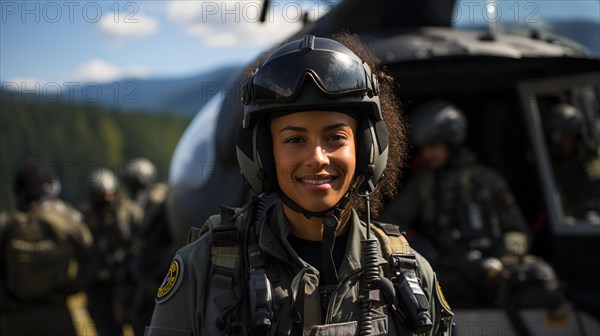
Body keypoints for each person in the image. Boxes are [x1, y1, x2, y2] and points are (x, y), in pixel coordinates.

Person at [146, 34, 454, 336]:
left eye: (336, 137)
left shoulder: (408, 273)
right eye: (294, 139)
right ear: (264, 155)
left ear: (368, 149)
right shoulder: (204, 269)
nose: (317, 158)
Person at [381, 100, 565, 311]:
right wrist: (420, 249)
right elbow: (391, 222)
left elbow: (518, 232)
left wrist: (505, 260)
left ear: (450, 143)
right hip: (442, 271)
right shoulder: (424, 181)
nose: (427, 154)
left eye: (434, 147)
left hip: (489, 273)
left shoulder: (488, 180)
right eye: (425, 148)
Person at [0, 158, 94, 336]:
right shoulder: (64, 217)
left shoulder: (6, 223)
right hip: (56, 312)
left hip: (14, 317)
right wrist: (72, 287)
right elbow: (90, 254)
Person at [81, 167, 143, 336]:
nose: (106, 200)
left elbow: (143, 239)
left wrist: (129, 254)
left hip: (128, 279)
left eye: (109, 194)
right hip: (100, 283)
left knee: (141, 323)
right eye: (101, 196)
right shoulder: (86, 217)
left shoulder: (130, 211)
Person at [120, 158, 175, 336]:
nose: (131, 187)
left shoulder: (156, 198)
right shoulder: (150, 198)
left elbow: (148, 235)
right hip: (153, 267)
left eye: (133, 182)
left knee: (145, 315)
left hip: (158, 267)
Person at [545, 103, 600, 222]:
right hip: (572, 217)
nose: (566, 143)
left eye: (569, 138)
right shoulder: (550, 165)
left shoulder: (590, 157)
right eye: (563, 139)